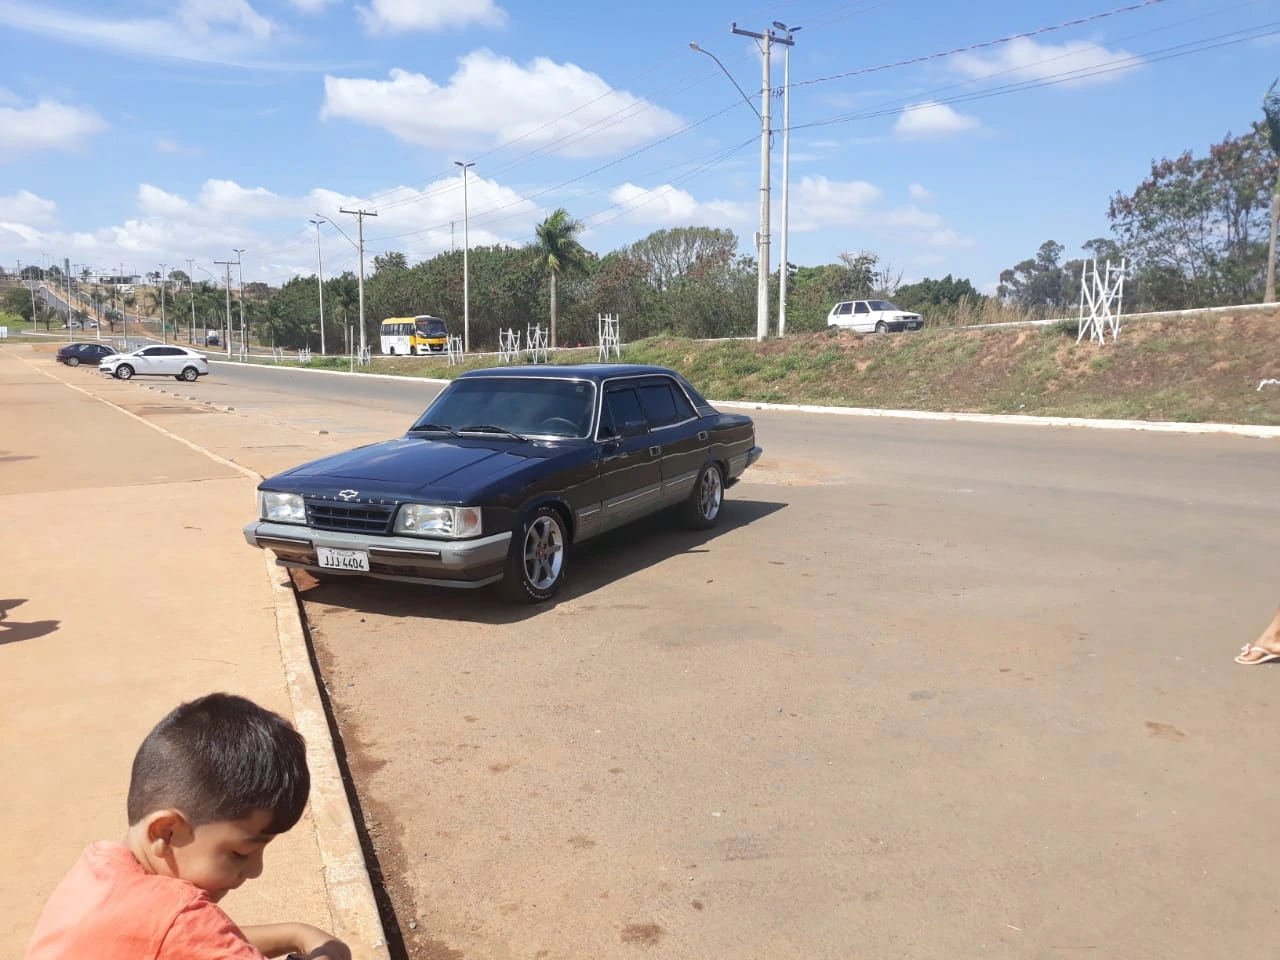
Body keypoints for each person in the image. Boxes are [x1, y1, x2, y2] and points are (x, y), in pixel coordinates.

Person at [26, 693, 351, 960]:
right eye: (241, 852)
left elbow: (192, 938)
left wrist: (293, 933)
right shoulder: (179, 920)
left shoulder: (98, 868)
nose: (255, 871)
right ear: (166, 832)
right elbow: (191, 933)